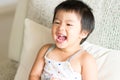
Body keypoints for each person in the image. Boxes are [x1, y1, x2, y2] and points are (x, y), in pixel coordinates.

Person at [29, 0, 98, 80]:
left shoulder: (86, 59)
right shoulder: (46, 50)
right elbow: (34, 75)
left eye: (69, 24)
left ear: (83, 33)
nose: (60, 28)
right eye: (57, 22)